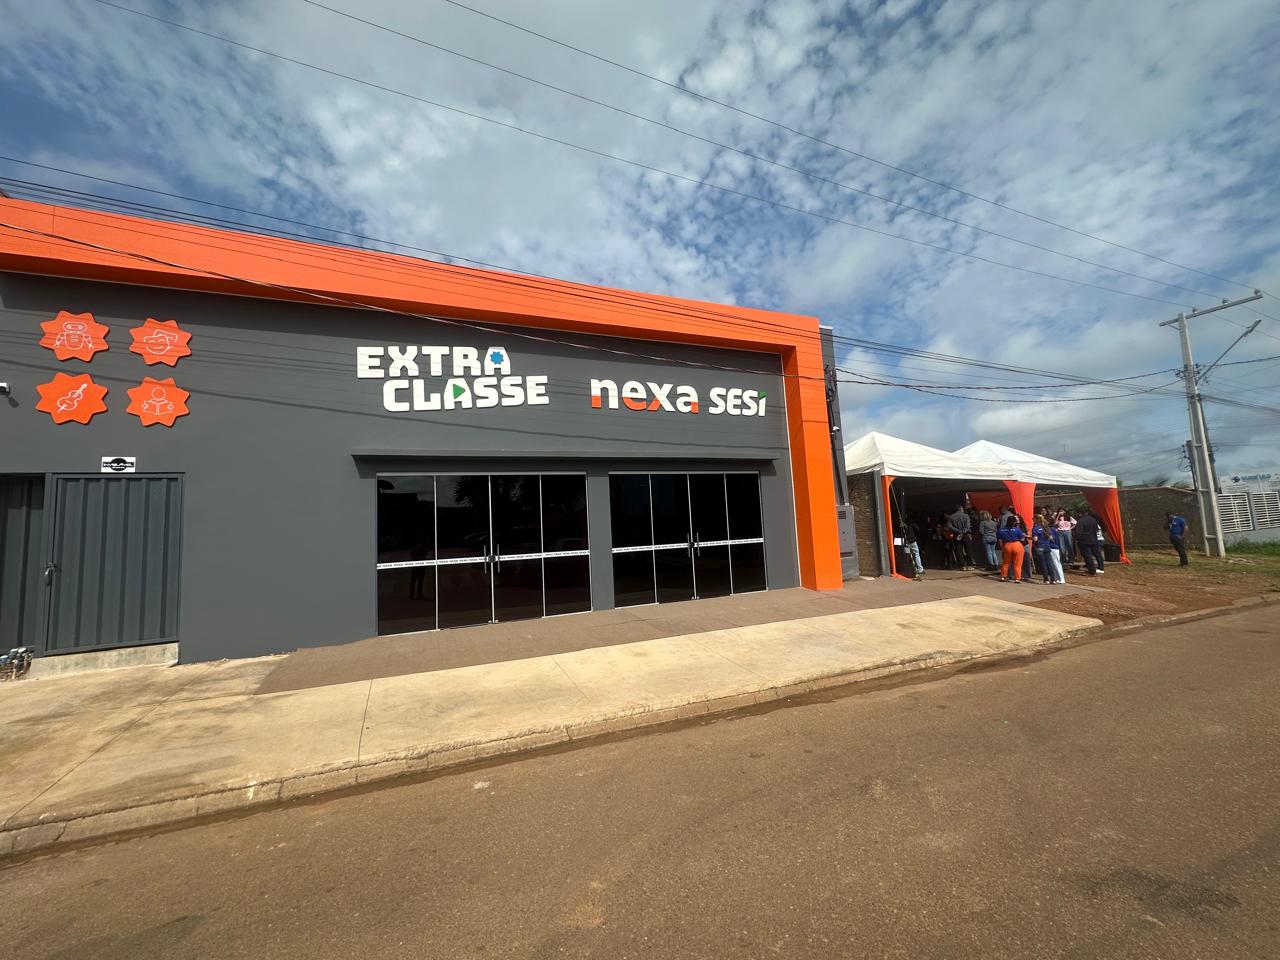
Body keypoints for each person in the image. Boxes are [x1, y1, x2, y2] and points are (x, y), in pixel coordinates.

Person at [1075, 508, 1105, 576]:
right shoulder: (1093, 520)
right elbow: (1096, 529)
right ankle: (1101, 567)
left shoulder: (1081, 521)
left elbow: (1079, 532)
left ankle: (1092, 570)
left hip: (1084, 541)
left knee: (1088, 556)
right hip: (1094, 539)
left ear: (1080, 514)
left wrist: (1077, 538)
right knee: (1098, 554)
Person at [998, 515, 1027, 583]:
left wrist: (1002, 547)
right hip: (1017, 545)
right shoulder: (1017, 529)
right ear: (1014, 522)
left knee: (1005, 562)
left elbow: (1000, 540)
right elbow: (1022, 539)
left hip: (1007, 545)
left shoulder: (1001, 530)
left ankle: (1003, 577)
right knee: (1018, 563)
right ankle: (1017, 578)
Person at [946, 504, 973, 571]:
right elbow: (968, 526)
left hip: (956, 535)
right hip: (965, 535)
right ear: (961, 509)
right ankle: (970, 565)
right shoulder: (966, 516)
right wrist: (963, 532)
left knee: (959, 551)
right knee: (968, 550)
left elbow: (949, 526)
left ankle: (962, 566)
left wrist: (958, 531)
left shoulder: (951, 517)